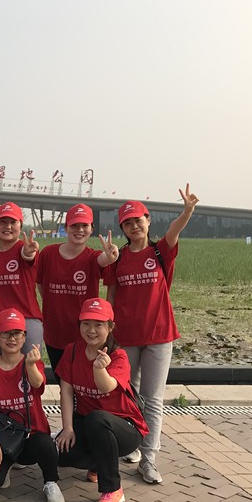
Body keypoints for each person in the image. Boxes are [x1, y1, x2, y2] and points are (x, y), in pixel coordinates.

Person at [104, 185, 199, 484]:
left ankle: (149, 458)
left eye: (138, 220)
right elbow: (111, 293)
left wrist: (187, 212)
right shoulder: (118, 258)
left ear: (148, 221)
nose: (134, 226)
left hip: (159, 334)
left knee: (153, 398)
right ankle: (132, 445)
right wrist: (109, 330)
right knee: (129, 394)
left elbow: (174, 230)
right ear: (123, 228)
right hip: (127, 336)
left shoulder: (160, 251)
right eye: (128, 223)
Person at [56, 298, 148, 502]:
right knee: (61, 453)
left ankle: (113, 489)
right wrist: (68, 428)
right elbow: (66, 391)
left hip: (124, 429)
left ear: (110, 327)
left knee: (97, 418)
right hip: (91, 424)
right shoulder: (72, 351)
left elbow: (106, 387)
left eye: (98, 324)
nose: (91, 330)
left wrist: (99, 369)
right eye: (86, 323)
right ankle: (97, 465)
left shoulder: (118, 356)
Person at [0, 308, 65, 502]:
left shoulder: (31, 362)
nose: (12, 339)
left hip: (32, 435)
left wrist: (31, 366)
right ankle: (6, 465)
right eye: (6, 333)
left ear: (24, 337)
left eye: (17, 333)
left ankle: (51, 482)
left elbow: (37, 384)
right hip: (4, 436)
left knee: (46, 444)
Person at [37, 203, 119, 373]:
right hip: (55, 332)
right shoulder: (48, 254)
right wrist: (53, 304)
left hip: (85, 335)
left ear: (91, 229)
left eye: (84, 226)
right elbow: (40, 283)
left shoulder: (92, 257)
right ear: (66, 227)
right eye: (74, 225)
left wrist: (110, 257)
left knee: (83, 380)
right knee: (62, 379)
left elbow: (102, 260)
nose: (80, 230)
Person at [0, 202, 42, 362]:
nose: (7, 226)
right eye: (2, 222)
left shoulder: (25, 248)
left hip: (26, 318)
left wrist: (29, 253)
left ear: (20, 225)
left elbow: (28, 256)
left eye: (13, 222)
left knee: (30, 368)